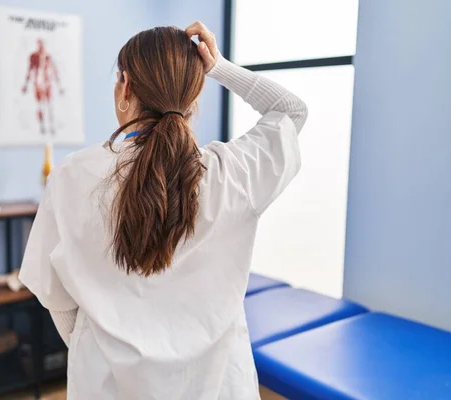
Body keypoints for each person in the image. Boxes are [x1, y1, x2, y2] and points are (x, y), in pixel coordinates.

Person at [19, 21, 307, 399]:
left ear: (124, 88)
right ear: (195, 95)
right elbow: (291, 111)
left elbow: (57, 300)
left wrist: (110, 355)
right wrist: (218, 66)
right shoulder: (231, 172)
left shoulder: (73, 175)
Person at [21, 38, 64, 135]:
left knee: (49, 106)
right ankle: (42, 127)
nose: (41, 47)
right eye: (39, 45)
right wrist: (25, 85)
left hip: (47, 83)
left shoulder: (48, 57)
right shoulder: (34, 57)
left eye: (42, 45)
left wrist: (59, 86)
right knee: (41, 106)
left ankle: (52, 126)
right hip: (38, 84)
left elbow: (54, 71)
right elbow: (29, 70)